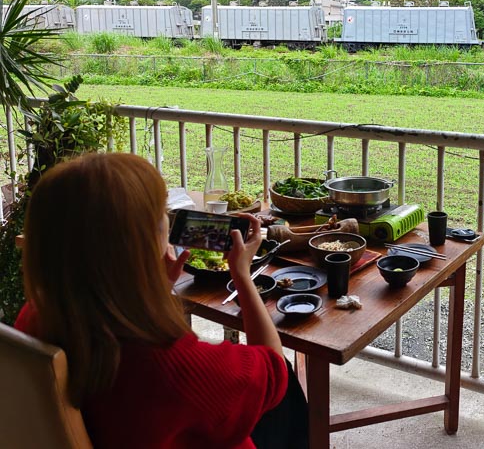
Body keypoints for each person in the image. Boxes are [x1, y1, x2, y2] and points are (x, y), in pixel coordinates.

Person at [14, 152, 307, 448]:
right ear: (141, 244)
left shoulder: (35, 316)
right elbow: (273, 373)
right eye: (162, 214)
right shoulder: (175, 366)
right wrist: (242, 276)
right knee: (288, 392)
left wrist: (157, 286)